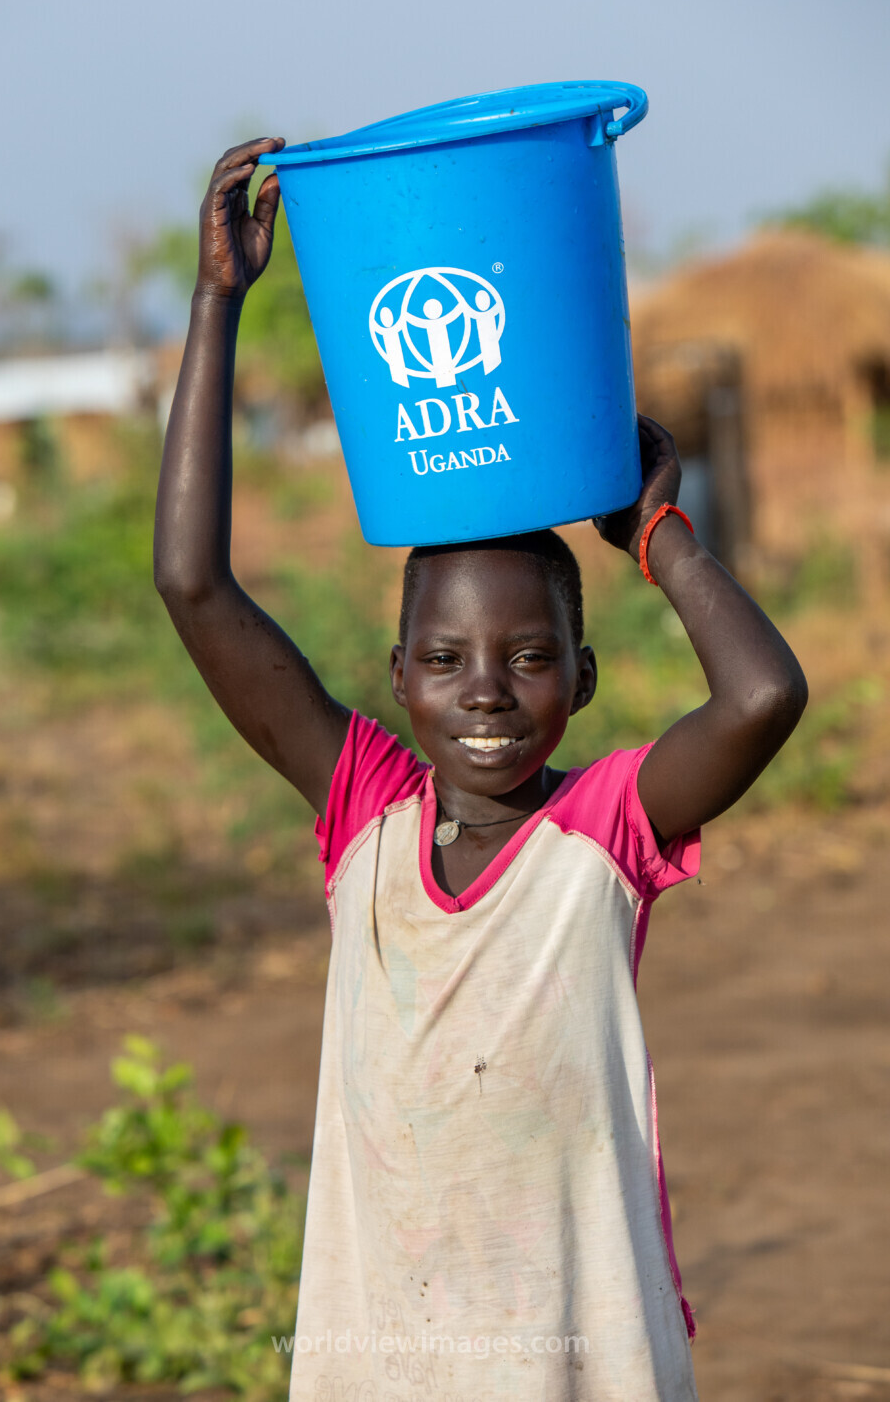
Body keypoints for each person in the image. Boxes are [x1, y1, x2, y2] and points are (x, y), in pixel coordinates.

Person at [153, 138, 808, 1402]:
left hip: (579, 1348)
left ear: (585, 675)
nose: (490, 693)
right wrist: (216, 302)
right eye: (446, 660)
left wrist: (656, 531)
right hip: (384, 1349)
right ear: (396, 680)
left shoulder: (606, 826)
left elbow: (763, 695)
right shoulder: (365, 816)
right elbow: (193, 584)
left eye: (530, 656)